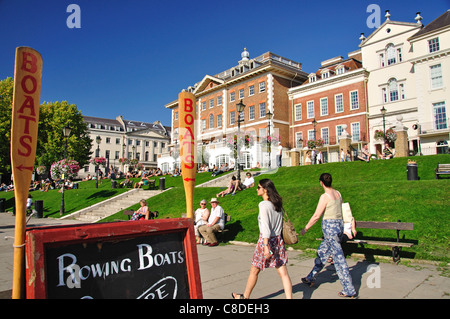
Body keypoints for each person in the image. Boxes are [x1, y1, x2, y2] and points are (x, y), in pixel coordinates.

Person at [232, 179, 292, 299]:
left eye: (258, 187)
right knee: (283, 273)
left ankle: (245, 297)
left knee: (254, 270)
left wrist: (265, 246)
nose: (257, 189)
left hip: (266, 241)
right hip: (277, 241)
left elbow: (265, 227)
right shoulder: (277, 204)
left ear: (265, 190)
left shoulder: (263, 205)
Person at [300, 173, 357, 298]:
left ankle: (349, 289)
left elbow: (316, 216)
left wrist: (305, 228)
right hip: (337, 227)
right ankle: (311, 277)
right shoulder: (338, 193)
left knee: (339, 259)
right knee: (322, 252)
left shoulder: (325, 196)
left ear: (321, 183)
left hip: (330, 229)